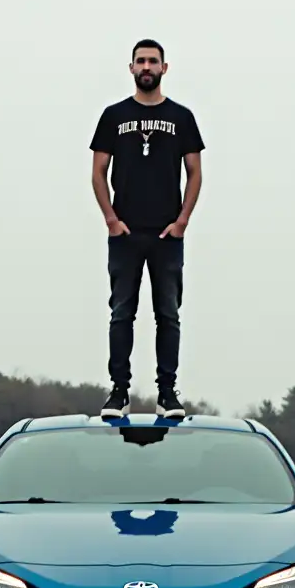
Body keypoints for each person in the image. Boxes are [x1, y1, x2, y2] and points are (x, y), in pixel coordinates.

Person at [89, 38, 204, 419]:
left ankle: (167, 393)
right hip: (125, 234)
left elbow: (195, 173)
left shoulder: (182, 118)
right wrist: (111, 219)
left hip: (166, 235)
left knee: (167, 314)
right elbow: (98, 173)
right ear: (131, 68)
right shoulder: (113, 116)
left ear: (165, 68)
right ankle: (118, 392)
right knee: (122, 313)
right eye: (140, 61)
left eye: (153, 61)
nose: (147, 67)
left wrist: (182, 222)